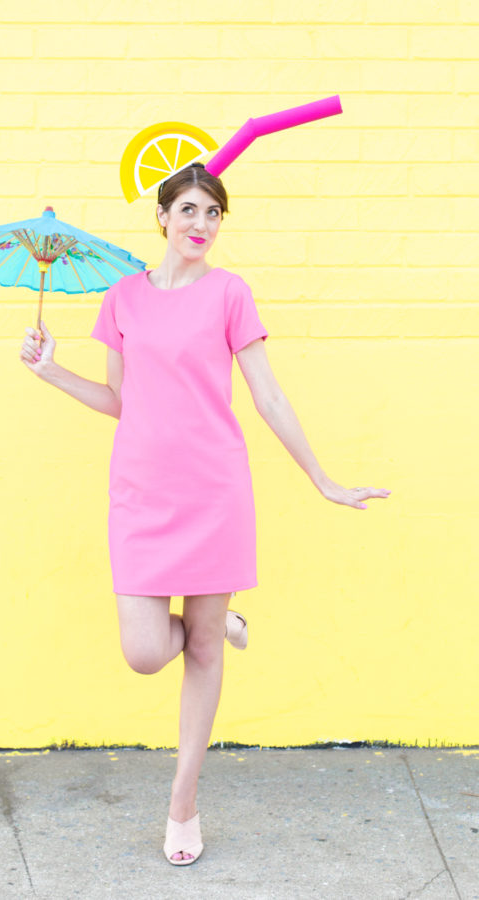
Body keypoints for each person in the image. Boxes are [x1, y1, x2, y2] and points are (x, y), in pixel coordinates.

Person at [19, 162, 391, 866]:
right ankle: (218, 623)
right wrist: (49, 371)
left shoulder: (229, 293)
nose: (201, 225)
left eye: (213, 214)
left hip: (213, 490)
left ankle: (183, 802)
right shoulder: (123, 297)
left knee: (205, 651)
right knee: (143, 652)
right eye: (188, 210)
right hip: (140, 492)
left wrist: (322, 479)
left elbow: (268, 397)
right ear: (161, 218)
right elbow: (120, 400)